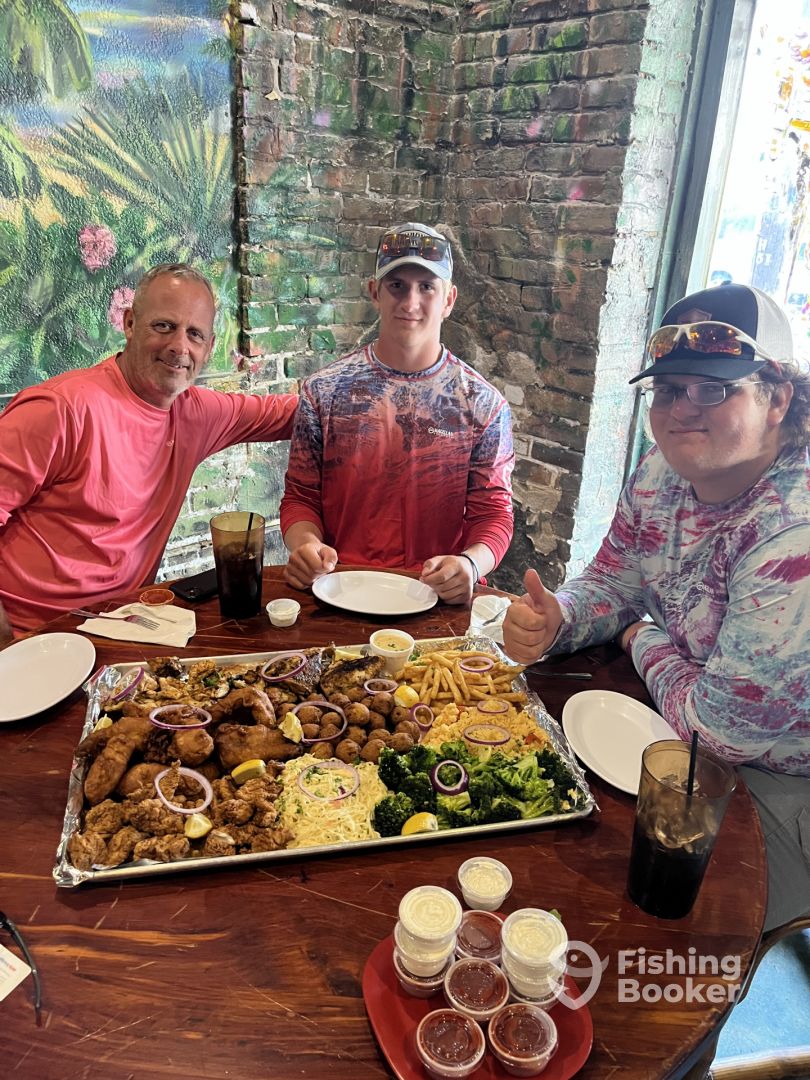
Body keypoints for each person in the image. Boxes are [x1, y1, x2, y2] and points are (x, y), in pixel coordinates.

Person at [503, 283, 809, 931]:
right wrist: (559, 618)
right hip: (676, 720)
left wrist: (639, 637)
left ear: (778, 396)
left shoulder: (794, 537)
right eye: (667, 390)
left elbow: (716, 736)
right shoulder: (660, 469)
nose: (680, 410)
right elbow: (612, 582)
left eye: (712, 388)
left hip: (782, 778)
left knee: (653, 926)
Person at [0, 263, 298, 633]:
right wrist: (7, 643)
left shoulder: (197, 412)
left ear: (208, 348)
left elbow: (298, 413)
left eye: (194, 334)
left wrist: (362, 385)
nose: (179, 347)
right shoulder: (60, 409)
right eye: (164, 326)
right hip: (35, 635)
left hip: (122, 626)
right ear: (129, 324)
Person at [280, 222, 514, 604]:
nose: (410, 303)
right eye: (397, 285)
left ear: (449, 299)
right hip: (341, 589)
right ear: (375, 292)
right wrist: (306, 546)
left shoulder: (483, 405)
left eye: (427, 287)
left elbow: (494, 514)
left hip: (435, 595)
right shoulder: (324, 391)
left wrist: (470, 565)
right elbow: (301, 496)